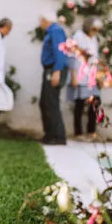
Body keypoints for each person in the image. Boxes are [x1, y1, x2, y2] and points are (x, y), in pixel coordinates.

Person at [66, 17, 103, 141]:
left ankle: (91, 131)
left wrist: (98, 75)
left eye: (97, 29)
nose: (95, 31)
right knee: (80, 104)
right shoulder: (78, 36)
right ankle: (78, 132)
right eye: (94, 29)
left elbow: (95, 58)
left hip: (91, 76)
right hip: (80, 75)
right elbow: (72, 56)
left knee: (95, 102)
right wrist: (73, 76)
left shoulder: (94, 39)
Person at [38, 11, 68, 145]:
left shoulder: (56, 31)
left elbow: (60, 51)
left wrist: (57, 71)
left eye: (41, 21)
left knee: (51, 102)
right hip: (50, 69)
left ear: (45, 20)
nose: (40, 24)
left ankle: (58, 136)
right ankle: (49, 134)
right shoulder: (52, 31)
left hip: (53, 69)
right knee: (45, 102)